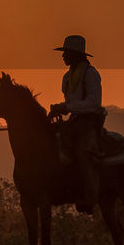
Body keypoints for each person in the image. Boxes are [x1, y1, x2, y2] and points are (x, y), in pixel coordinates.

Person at [47, 34, 105, 214]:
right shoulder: (67, 77)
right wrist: (61, 108)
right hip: (74, 121)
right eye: (64, 52)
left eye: (66, 53)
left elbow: (94, 103)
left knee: (82, 152)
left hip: (89, 122)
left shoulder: (91, 74)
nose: (63, 56)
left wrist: (66, 106)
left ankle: (90, 197)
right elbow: (71, 103)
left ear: (76, 54)